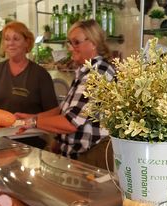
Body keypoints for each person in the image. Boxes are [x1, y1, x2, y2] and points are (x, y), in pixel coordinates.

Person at [16, 20, 115, 170]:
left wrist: (33, 122)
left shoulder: (98, 73)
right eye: (69, 42)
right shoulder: (85, 70)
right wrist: (32, 117)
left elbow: (70, 122)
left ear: (93, 43)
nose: (70, 48)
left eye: (76, 42)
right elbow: (64, 109)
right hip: (78, 154)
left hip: (91, 156)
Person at [0, 21, 58, 148]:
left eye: (16, 39)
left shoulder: (40, 74)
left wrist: (32, 119)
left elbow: (54, 113)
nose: (10, 43)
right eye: (7, 39)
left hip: (31, 142)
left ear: (27, 42)